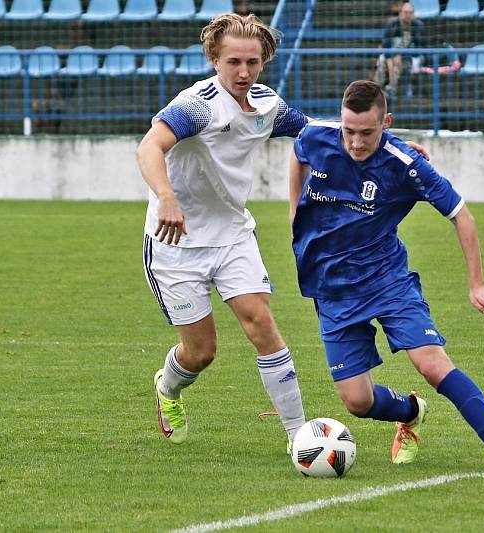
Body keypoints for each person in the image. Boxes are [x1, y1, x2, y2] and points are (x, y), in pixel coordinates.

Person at [288, 80, 484, 475]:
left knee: (433, 364)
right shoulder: (317, 136)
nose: (355, 142)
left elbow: (462, 215)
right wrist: (295, 214)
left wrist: (477, 283)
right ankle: (410, 411)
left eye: (367, 133)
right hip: (333, 289)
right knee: (357, 402)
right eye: (349, 131)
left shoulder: (405, 164)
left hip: (387, 280)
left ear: (386, 123)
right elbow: (299, 150)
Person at [135, 13, 311, 449]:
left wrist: (391, 144)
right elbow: (149, 146)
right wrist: (167, 197)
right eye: (233, 61)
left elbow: (320, 132)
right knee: (201, 353)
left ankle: (299, 438)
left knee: (261, 325)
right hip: (176, 243)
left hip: (233, 236)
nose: (244, 72)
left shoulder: (268, 105)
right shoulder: (197, 105)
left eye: (253, 62)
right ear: (215, 59)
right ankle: (168, 388)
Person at [375, 2, 426, 99]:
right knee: (382, 60)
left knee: (399, 63)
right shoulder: (391, 24)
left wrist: (402, 55)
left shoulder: (419, 26)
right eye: (406, 12)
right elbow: (386, 47)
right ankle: (378, 88)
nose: (408, 15)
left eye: (410, 13)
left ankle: (391, 89)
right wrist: (392, 61)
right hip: (392, 57)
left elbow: (419, 50)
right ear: (400, 13)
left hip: (412, 57)